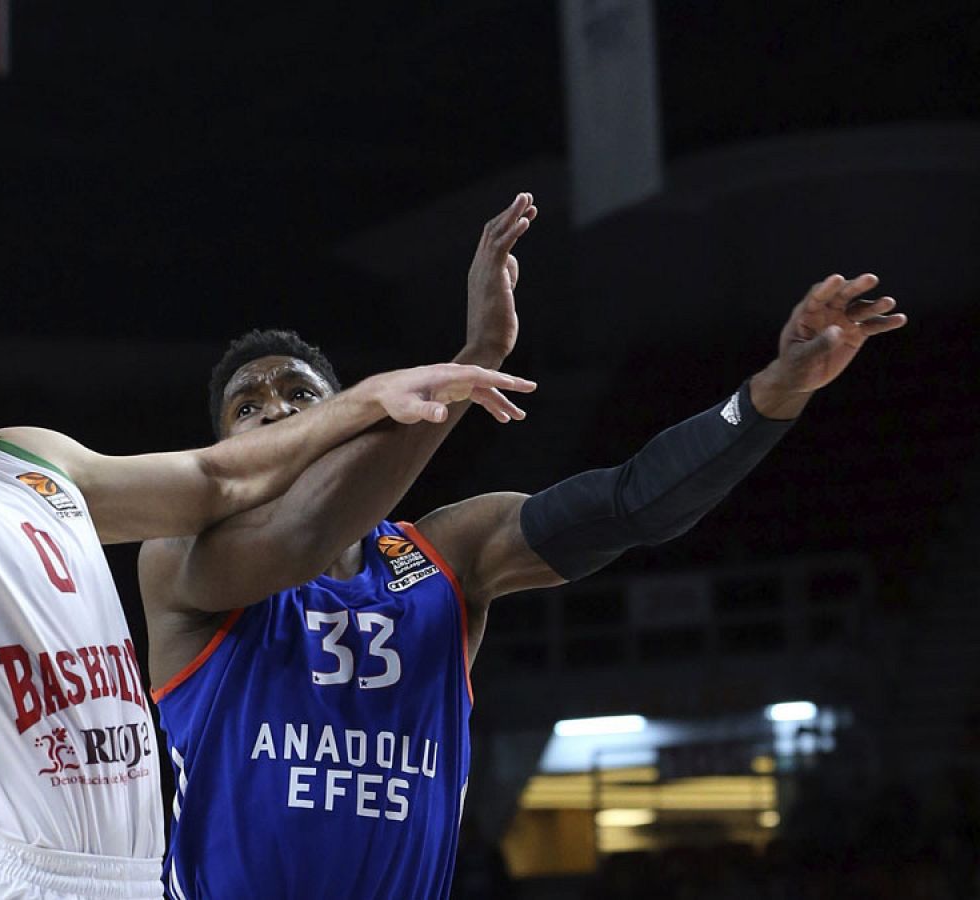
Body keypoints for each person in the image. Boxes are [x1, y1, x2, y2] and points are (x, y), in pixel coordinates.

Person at [0, 158, 537, 899]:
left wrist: (368, 399)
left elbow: (218, 477)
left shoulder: (27, 461)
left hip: (132, 877)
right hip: (3, 876)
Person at [140, 192, 907, 899]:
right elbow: (305, 536)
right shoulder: (182, 562)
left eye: (302, 395)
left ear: (345, 415)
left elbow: (633, 503)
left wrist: (773, 394)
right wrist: (475, 360)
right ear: (223, 447)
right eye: (250, 407)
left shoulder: (447, 555)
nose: (277, 411)